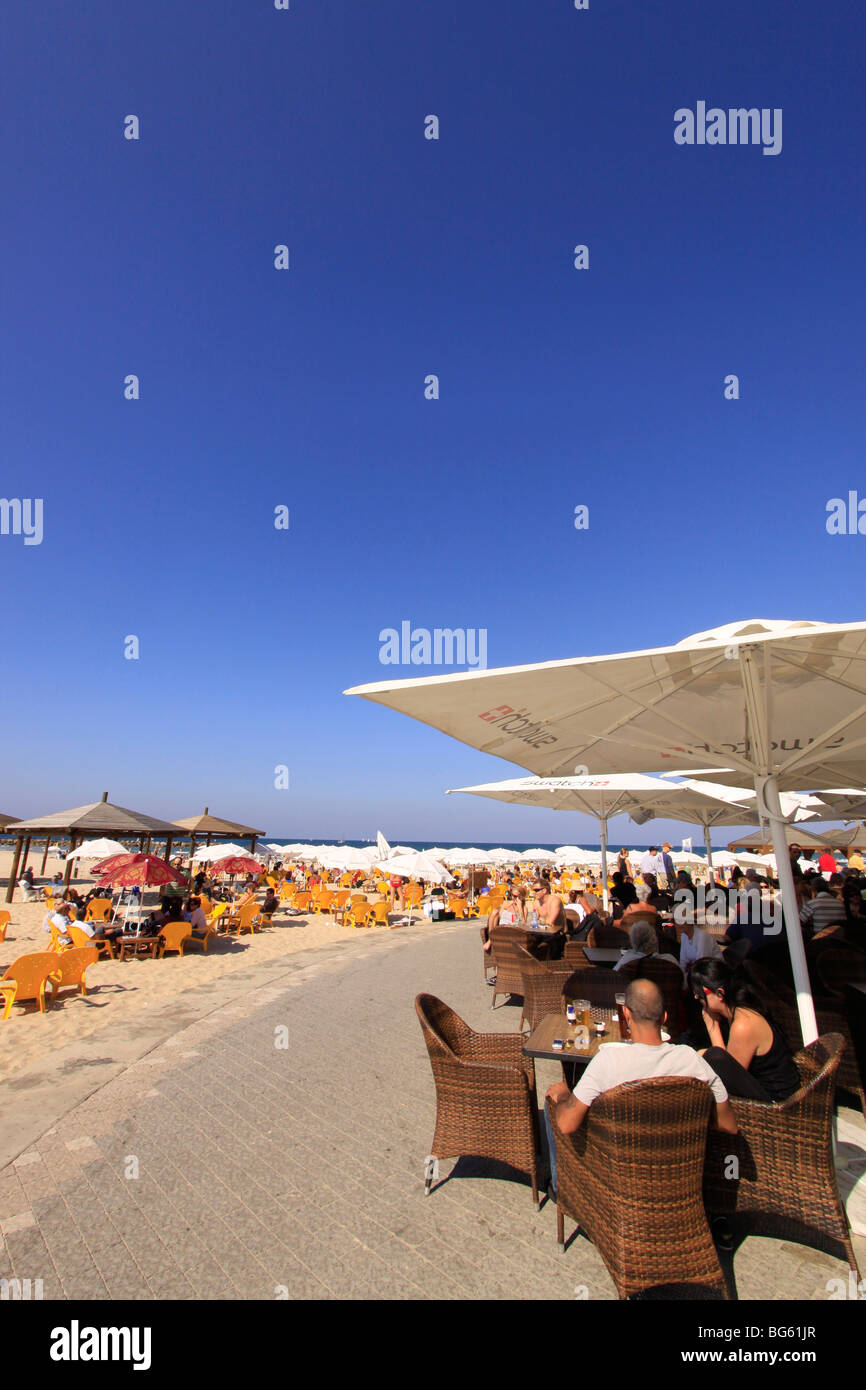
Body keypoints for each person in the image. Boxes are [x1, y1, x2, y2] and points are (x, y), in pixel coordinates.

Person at [544, 979, 737, 1192]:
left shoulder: (608, 1062)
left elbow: (567, 1124)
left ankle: (560, 1189)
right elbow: (728, 1127)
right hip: (681, 1183)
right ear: (664, 1017)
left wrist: (563, 1095)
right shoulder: (693, 1062)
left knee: (553, 1105)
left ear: (626, 1014)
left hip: (619, 1186)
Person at [689, 958, 800, 1102]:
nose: (696, 997)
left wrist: (713, 1027)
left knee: (707, 1056)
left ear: (720, 994)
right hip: (771, 1091)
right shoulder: (739, 1010)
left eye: (700, 993)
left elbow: (727, 1078)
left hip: (776, 1103)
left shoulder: (743, 1024)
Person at [614, 920, 684, 979]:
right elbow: (684, 987)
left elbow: (616, 981)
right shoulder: (671, 961)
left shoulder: (626, 963)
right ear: (655, 940)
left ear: (632, 941)